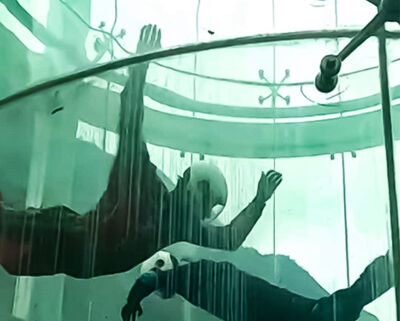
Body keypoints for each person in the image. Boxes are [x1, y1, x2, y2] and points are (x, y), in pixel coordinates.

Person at [0, 24, 281, 278]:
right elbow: (130, 119)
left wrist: (259, 202)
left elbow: (230, 239)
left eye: (210, 204)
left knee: (60, 221)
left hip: (36, 245)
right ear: (187, 183)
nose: (206, 209)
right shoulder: (147, 184)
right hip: (36, 244)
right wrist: (139, 68)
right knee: (61, 221)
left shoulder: (172, 216)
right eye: (206, 197)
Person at [121, 250, 394, 321]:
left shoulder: (178, 277)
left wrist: (132, 301)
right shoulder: (193, 274)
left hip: (251, 307)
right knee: (320, 313)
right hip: (251, 307)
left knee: (321, 313)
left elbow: (147, 280)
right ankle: (385, 271)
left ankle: (386, 268)